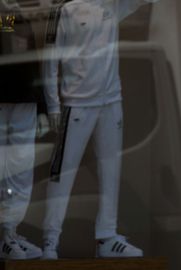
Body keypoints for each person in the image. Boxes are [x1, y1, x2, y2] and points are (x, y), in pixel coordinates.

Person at [42, 0, 157, 259]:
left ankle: (106, 236)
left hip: (111, 102)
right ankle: (50, 241)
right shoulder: (65, 9)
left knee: (110, 170)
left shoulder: (111, 5)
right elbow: (50, 61)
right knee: (63, 172)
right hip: (77, 103)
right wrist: (53, 106)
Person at [0, 0, 46, 259]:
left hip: (23, 99)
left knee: (20, 168)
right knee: (7, 168)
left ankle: (11, 232)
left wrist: (40, 105)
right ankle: (6, 236)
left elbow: (30, 61)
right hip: (8, 98)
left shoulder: (18, 15)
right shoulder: (8, 16)